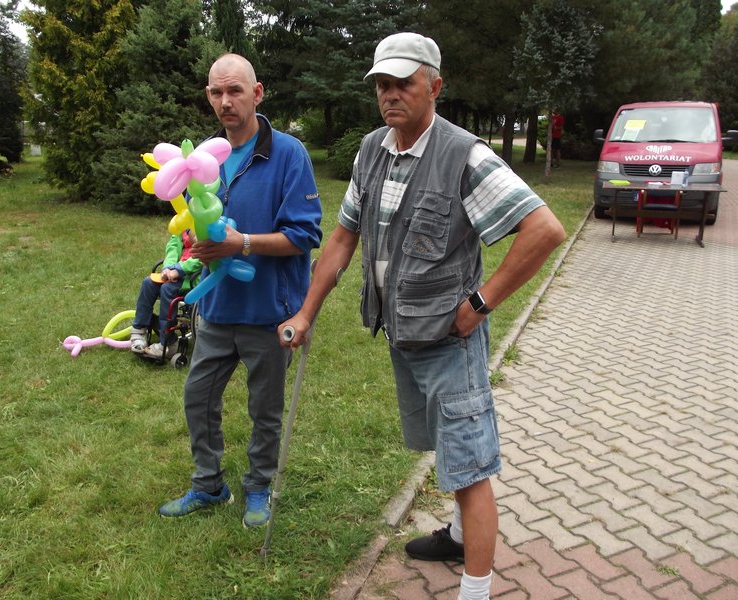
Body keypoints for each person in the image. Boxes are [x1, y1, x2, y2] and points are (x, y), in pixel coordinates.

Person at [278, 33, 566, 600]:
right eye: (382, 85)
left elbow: (545, 229)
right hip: (405, 332)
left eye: (403, 84)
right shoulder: (372, 150)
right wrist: (306, 311)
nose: (390, 95)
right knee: (447, 445)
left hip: (450, 339)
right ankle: (457, 538)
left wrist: (480, 304)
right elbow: (343, 237)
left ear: (435, 86)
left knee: (471, 466)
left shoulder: (465, 155)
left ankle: (475, 591)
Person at [158, 53, 323, 528]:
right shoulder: (206, 157)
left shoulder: (288, 153)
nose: (225, 101)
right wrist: (196, 244)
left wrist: (242, 242)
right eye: (217, 92)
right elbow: (200, 218)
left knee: (264, 409)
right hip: (216, 307)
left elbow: (305, 235)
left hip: (270, 312)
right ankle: (209, 484)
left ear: (257, 93)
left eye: (235, 90)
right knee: (198, 397)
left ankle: (258, 488)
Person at [130, 228, 201, 359]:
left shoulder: (208, 225)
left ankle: (169, 342)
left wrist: (179, 270)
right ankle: (139, 331)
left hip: (192, 278)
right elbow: (173, 247)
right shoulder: (183, 225)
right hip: (173, 272)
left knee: (167, 289)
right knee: (148, 283)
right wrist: (168, 267)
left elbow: (205, 257)